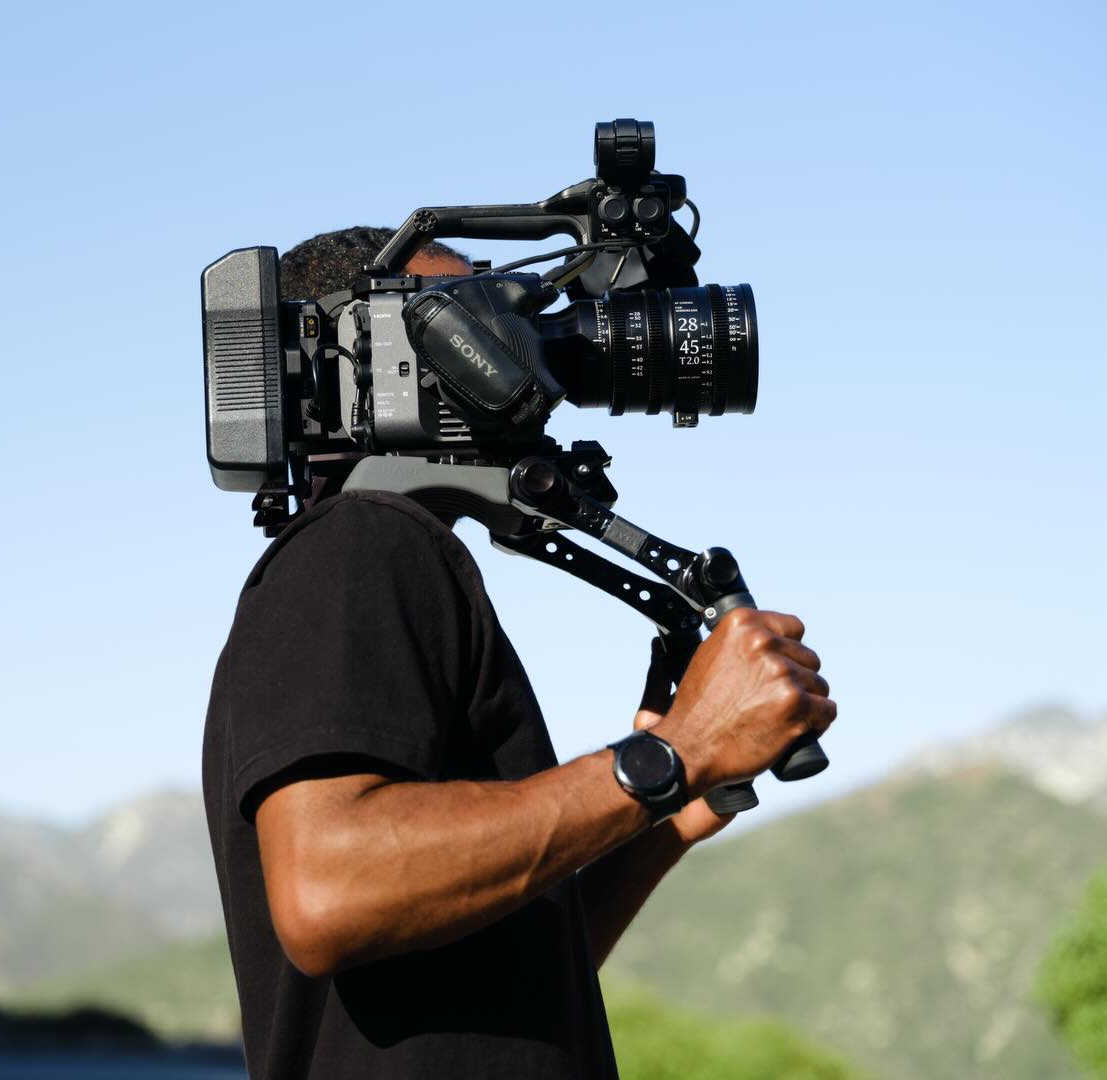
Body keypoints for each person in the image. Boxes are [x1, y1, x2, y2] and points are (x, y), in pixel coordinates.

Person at [202, 227, 837, 1080]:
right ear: (375, 353)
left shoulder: (389, 561)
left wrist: (666, 814)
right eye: (482, 319)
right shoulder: (359, 546)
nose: (523, 355)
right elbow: (328, 891)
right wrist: (674, 753)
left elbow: (516, 979)